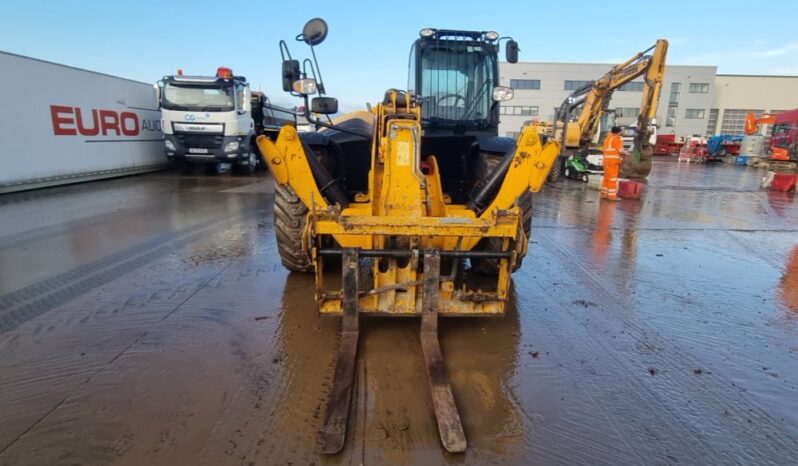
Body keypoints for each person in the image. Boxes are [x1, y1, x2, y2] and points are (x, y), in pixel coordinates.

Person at [601, 126, 626, 200]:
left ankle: (604, 194)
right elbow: (620, 150)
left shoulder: (607, 138)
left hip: (606, 161)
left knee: (606, 178)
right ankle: (612, 196)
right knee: (612, 179)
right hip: (613, 162)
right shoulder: (616, 139)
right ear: (618, 132)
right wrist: (626, 153)